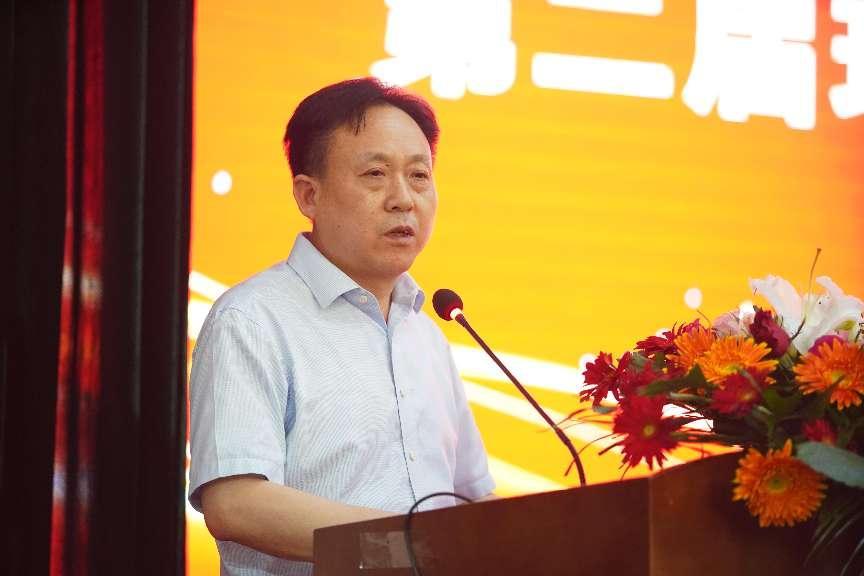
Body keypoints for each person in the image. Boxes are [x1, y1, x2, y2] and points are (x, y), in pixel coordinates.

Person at [188, 77, 496, 575]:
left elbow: (472, 498)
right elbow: (236, 502)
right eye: (376, 174)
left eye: (419, 176)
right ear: (309, 195)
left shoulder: (428, 334)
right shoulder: (251, 320)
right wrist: (407, 547)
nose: (403, 199)